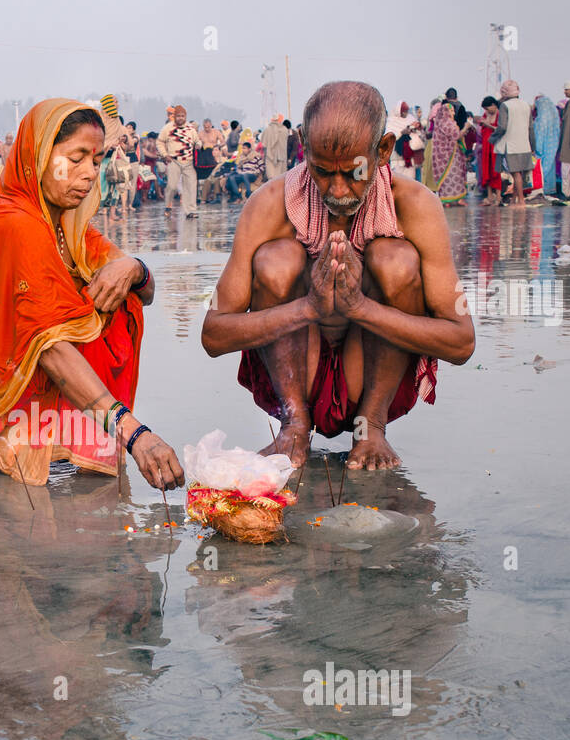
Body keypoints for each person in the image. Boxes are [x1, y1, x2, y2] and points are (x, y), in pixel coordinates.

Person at [0, 99, 182, 491]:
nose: (88, 174)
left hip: (7, 363)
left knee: (120, 300)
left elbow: (144, 294)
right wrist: (136, 435)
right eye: (75, 158)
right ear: (38, 158)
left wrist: (133, 267)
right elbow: (47, 345)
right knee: (56, 324)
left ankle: (58, 432)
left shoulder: (66, 226)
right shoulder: (19, 223)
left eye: (96, 162)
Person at [201, 80, 474, 471]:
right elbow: (213, 335)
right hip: (296, 373)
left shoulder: (416, 207)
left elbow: (461, 342)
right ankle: (294, 423)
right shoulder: (267, 205)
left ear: (383, 151)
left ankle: (371, 427)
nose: (339, 190)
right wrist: (309, 307)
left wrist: (360, 308)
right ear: (303, 146)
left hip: (369, 372)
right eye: (323, 171)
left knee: (394, 258)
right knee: (277, 259)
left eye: (353, 173)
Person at [491, 80, 534, 207]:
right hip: (524, 144)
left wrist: (493, 138)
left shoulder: (505, 106)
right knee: (518, 175)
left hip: (511, 145)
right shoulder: (526, 105)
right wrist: (533, 145)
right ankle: (514, 199)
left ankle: (521, 201)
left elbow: (502, 127)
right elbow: (531, 127)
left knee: (515, 174)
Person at [158, 105, 200, 217]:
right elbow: (160, 142)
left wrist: (198, 145)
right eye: (178, 116)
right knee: (171, 186)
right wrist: (165, 154)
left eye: (183, 116)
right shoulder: (167, 128)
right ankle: (168, 206)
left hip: (189, 162)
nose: (180, 118)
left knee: (191, 186)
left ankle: (190, 211)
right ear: (175, 116)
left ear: (185, 117)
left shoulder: (191, 129)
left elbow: (197, 141)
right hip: (174, 161)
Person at [426, 101, 467, 207]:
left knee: (453, 177)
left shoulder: (440, 123)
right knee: (452, 176)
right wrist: (466, 127)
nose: (453, 113)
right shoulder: (447, 123)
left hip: (445, 156)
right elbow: (456, 135)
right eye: (451, 111)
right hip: (450, 156)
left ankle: (451, 200)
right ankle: (449, 200)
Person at [533, 94, 562, 198]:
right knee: (550, 167)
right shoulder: (555, 119)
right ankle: (549, 189)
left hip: (541, 149)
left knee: (541, 169)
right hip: (552, 148)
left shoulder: (541, 119)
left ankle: (540, 190)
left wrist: (536, 148)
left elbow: (538, 137)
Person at [477, 96, 503, 204]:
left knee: (495, 170)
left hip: (496, 146)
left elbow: (500, 129)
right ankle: (489, 195)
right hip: (486, 146)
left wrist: (488, 124)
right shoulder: (485, 115)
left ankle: (498, 196)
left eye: (487, 108)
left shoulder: (500, 114)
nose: (486, 111)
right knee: (486, 170)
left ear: (493, 105)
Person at [261, 113, 289, 181]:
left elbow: (263, 144)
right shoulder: (285, 130)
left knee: (271, 178)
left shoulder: (267, 130)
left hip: (270, 156)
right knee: (279, 178)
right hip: (281, 157)